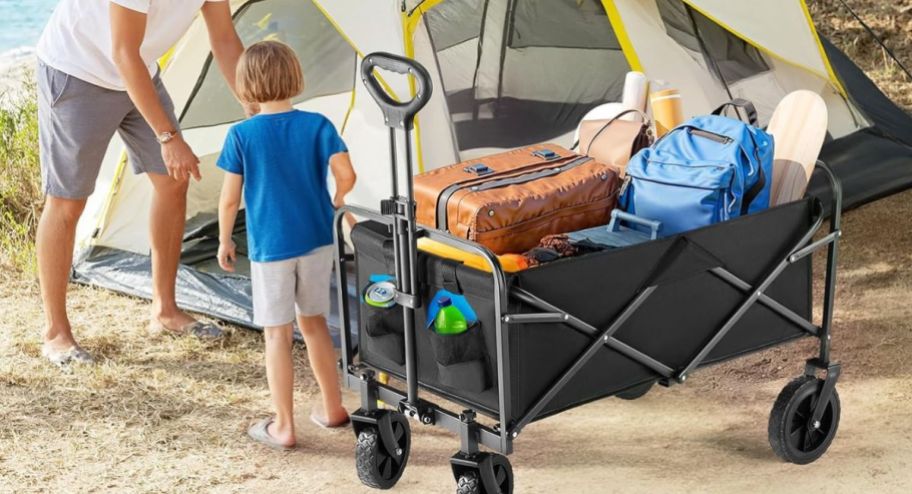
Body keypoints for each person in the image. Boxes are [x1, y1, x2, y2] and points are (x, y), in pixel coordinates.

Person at [36, 0, 253, 367]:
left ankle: (165, 310)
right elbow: (123, 53)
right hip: (78, 71)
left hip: (136, 70)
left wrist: (256, 111)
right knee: (67, 201)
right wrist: (168, 138)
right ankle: (56, 332)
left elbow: (226, 40)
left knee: (173, 181)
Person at [216, 41, 357, 450]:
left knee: (277, 336)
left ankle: (284, 426)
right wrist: (337, 201)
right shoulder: (317, 124)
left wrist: (226, 239)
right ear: (294, 76)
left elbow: (229, 199)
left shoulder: (241, 134)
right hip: (317, 240)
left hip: (271, 249)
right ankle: (332, 408)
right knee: (314, 324)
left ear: (246, 85)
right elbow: (346, 174)